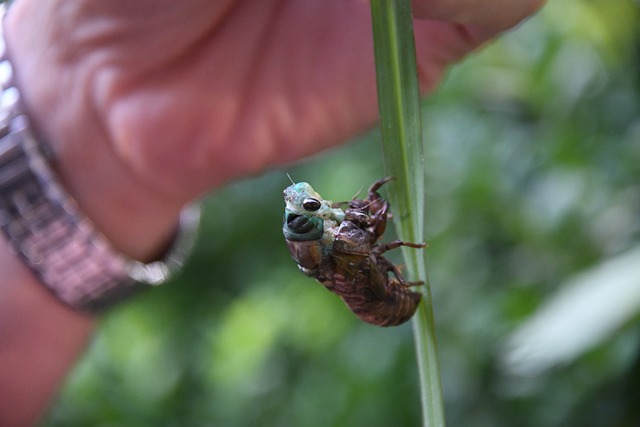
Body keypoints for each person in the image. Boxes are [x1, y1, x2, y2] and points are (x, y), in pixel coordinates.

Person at [0, 0, 543, 425]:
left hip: (373, 278)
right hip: (386, 294)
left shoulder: (331, 238)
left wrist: (84, 106)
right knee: (366, 240)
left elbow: (355, 223)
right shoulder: (340, 244)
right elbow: (364, 235)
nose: (328, 211)